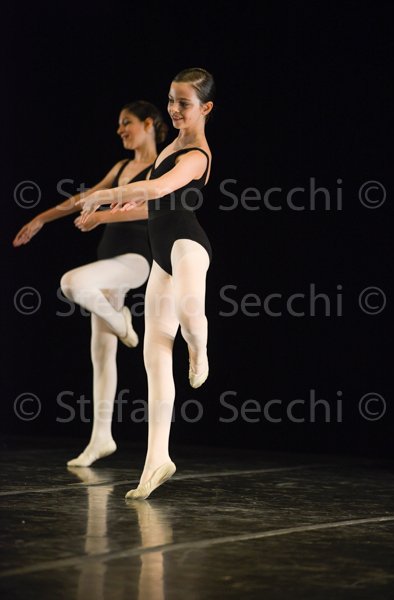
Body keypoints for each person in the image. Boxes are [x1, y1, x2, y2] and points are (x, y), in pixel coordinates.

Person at [78, 68, 215, 499]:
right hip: (160, 256)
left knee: (190, 318)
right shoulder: (170, 146)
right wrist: (128, 202)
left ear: (205, 108)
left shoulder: (197, 155)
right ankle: (157, 459)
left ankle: (200, 350)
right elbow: (152, 199)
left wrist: (105, 197)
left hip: (188, 246)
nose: (174, 109)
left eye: (184, 103)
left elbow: (160, 188)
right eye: (171, 100)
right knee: (155, 355)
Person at [13, 101, 168, 467]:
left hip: (135, 261)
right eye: (119, 124)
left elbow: (158, 208)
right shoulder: (121, 168)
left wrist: (102, 217)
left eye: (126, 122)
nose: (120, 130)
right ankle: (101, 438)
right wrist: (42, 218)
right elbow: (84, 198)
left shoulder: (161, 168)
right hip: (108, 263)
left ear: (148, 124)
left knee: (72, 282)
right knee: (101, 354)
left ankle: (124, 325)